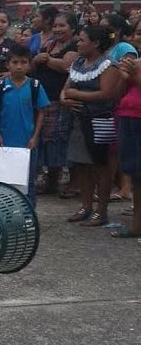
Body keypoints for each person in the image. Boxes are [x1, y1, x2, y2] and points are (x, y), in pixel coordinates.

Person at [62, 26, 120, 227]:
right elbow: (66, 88)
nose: (78, 43)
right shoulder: (78, 62)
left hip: (99, 121)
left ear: (95, 43)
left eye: (82, 40)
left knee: (101, 168)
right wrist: (65, 98)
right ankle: (85, 207)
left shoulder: (108, 65)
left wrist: (75, 96)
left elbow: (106, 94)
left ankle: (101, 212)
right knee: (82, 167)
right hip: (79, 120)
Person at [0, 45, 50, 206]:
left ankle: (28, 215)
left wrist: (35, 137)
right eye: (15, 62)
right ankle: (7, 213)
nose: (19, 66)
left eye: (23, 62)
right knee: (4, 181)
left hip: (27, 142)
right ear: (7, 64)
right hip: (5, 141)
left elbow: (41, 112)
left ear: (29, 65)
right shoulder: (1, 86)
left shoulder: (34, 86)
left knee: (28, 181)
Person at [32, 12, 79, 195]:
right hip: (45, 98)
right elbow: (36, 61)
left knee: (60, 140)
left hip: (61, 99)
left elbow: (67, 66)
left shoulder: (75, 45)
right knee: (48, 140)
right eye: (56, 26)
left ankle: (70, 183)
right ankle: (51, 180)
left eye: (62, 26)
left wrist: (47, 60)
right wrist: (37, 60)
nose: (57, 30)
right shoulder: (50, 43)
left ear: (73, 28)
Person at [111, 56, 141, 238]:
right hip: (128, 116)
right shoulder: (136, 62)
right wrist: (123, 76)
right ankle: (136, 225)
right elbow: (116, 95)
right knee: (135, 174)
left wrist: (132, 75)